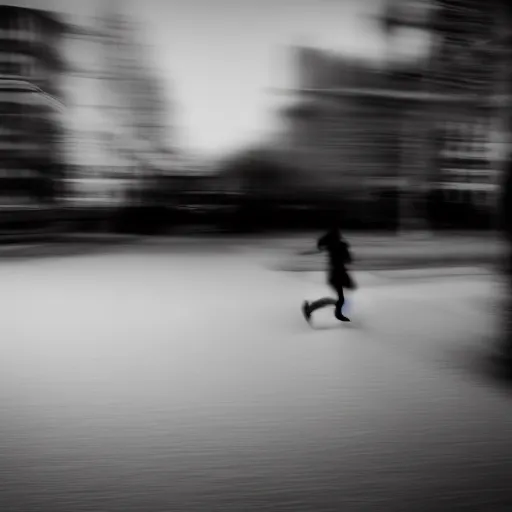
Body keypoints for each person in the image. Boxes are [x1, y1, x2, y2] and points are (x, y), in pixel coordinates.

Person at [301, 226, 355, 323]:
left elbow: (321, 244)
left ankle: (336, 311)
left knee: (342, 298)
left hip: (335, 274)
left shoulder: (332, 245)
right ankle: (313, 308)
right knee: (341, 298)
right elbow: (348, 259)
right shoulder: (340, 245)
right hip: (338, 274)